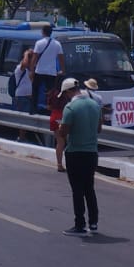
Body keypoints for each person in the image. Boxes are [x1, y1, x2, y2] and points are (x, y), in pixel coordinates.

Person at [57, 78, 102, 236]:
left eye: (65, 94)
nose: (65, 97)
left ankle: (80, 224)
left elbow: (63, 133)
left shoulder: (70, 107)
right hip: (92, 152)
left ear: (69, 91)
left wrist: (60, 127)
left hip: (75, 152)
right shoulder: (95, 105)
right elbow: (99, 128)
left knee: (77, 190)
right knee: (89, 188)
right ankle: (94, 223)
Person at [29, 24, 64, 115]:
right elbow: (61, 58)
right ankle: (51, 109)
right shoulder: (57, 44)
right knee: (51, 92)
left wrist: (31, 70)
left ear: (43, 32)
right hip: (51, 72)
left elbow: (34, 57)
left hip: (39, 71)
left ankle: (33, 109)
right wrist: (62, 70)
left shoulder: (39, 43)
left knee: (35, 90)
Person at [10, 49, 35, 116]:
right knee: (26, 117)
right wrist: (26, 54)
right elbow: (25, 63)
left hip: (29, 98)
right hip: (22, 97)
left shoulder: (30, 70)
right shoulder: (19, 69)